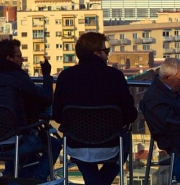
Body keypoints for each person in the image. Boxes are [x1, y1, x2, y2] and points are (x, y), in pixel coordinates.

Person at [53, 32, 138, 185]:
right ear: (97, 53)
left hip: (76, 144)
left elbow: (58, 116)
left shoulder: (65, 77)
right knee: (125, 140)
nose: (107, 56)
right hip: (110, 144)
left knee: (85, 162)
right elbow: (130, 115)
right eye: (106, 52)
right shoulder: (115, 76)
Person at [0, 39, 61, 181]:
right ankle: (36, 179)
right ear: (9, 58)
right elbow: (46, 98)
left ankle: (10, 176)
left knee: (21, 141)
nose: (22, 59)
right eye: (19, 56)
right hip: (18, 143)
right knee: (54, 145)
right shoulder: (17, 76)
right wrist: (46, 75)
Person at [139, 57, 180, 183]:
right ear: (167, 78)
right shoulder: (155, 98)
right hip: (175, 141)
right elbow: (171, 125)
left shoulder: (178, 92)